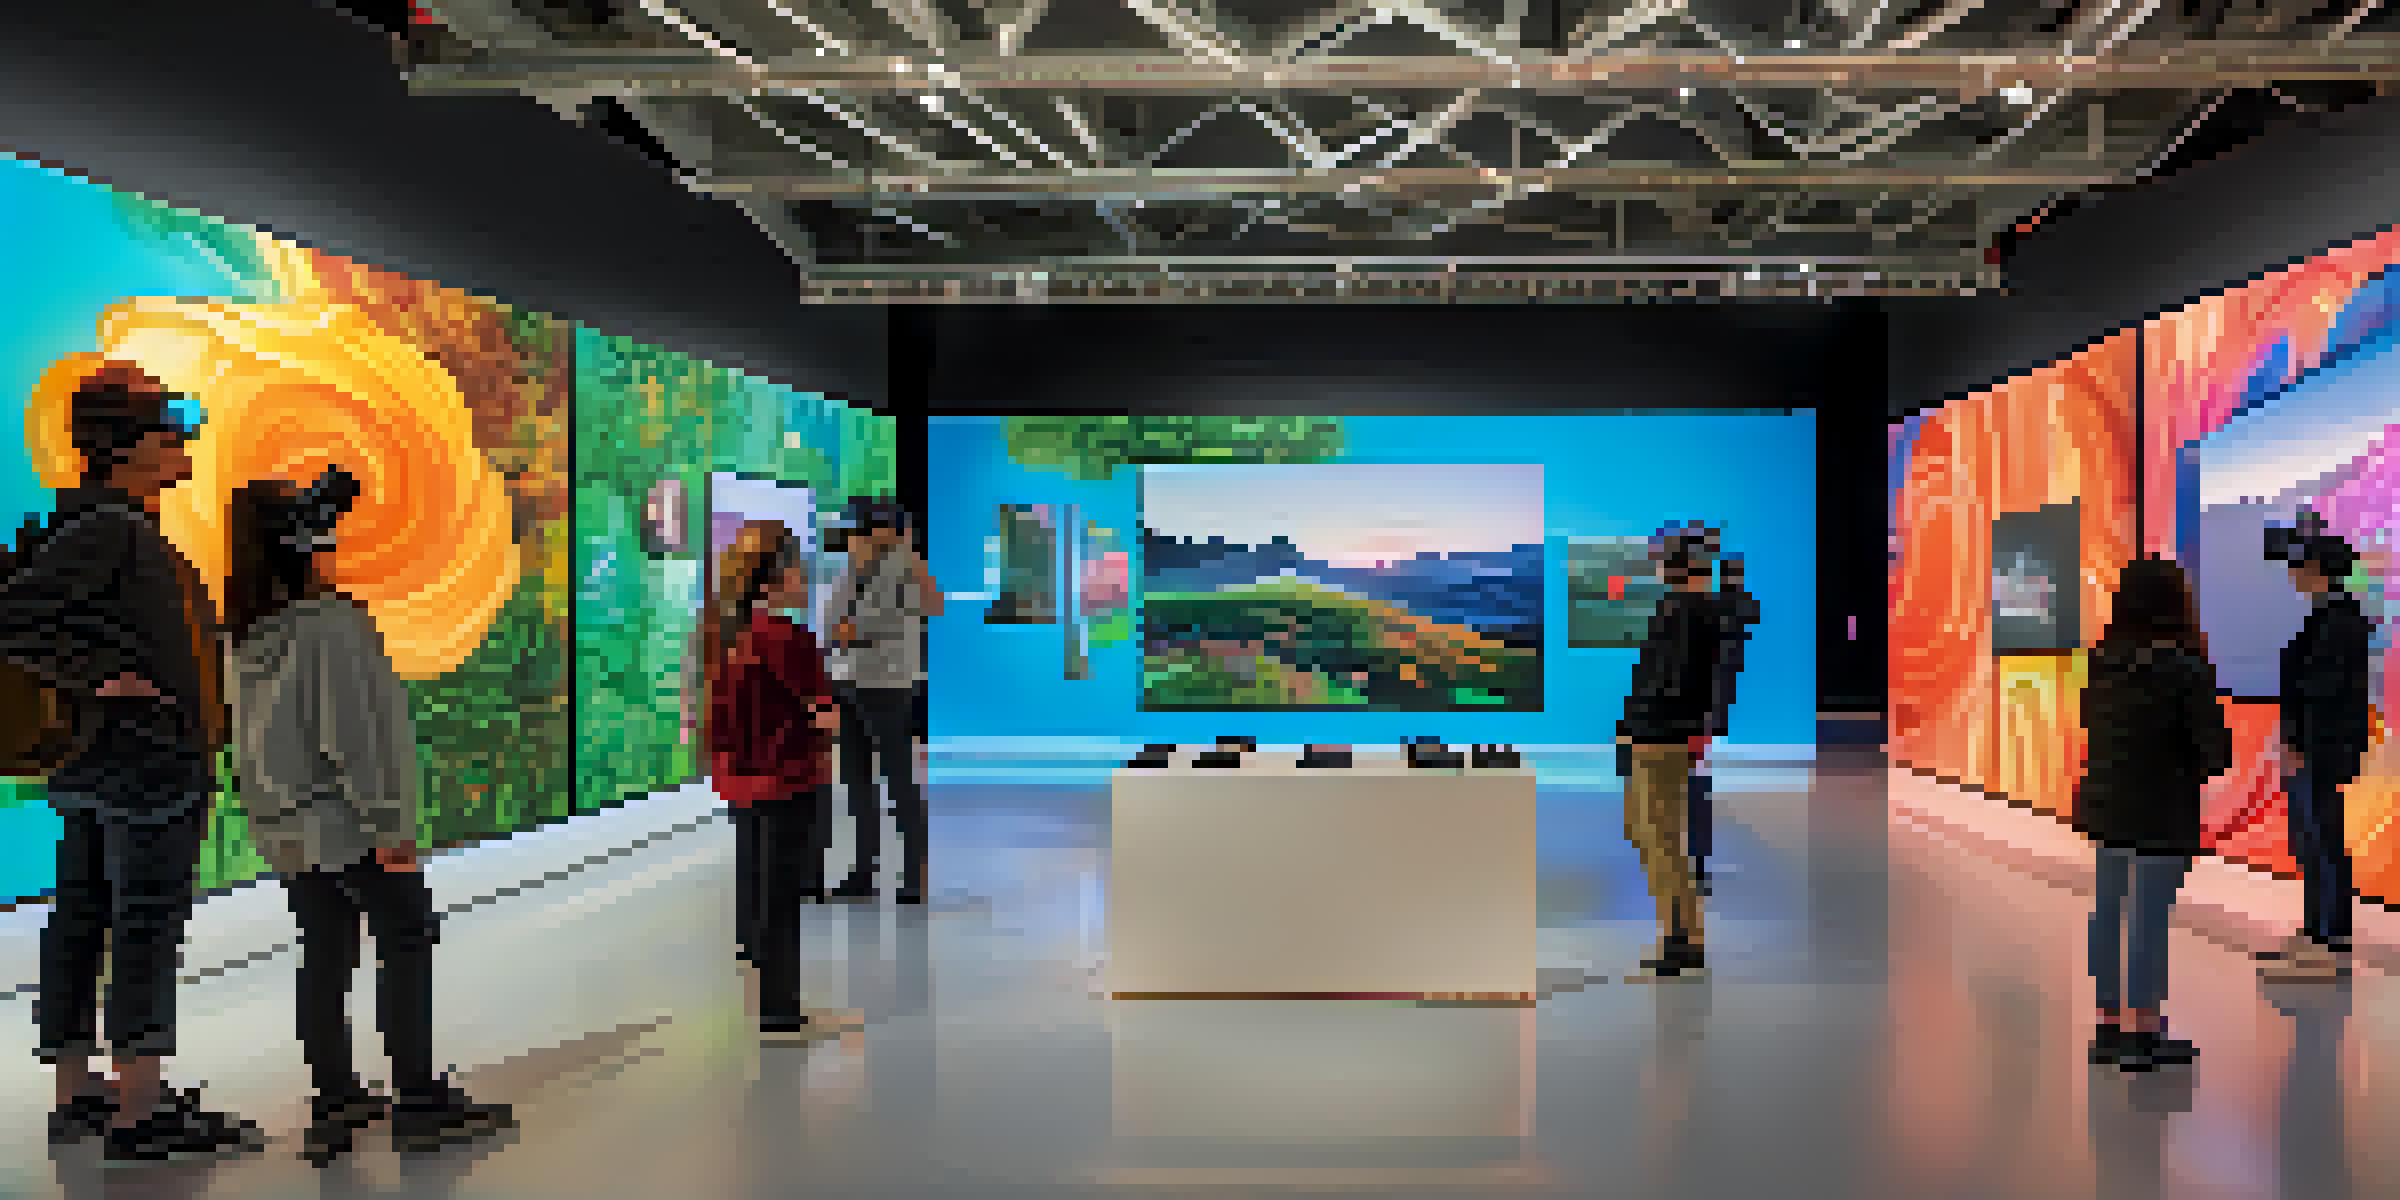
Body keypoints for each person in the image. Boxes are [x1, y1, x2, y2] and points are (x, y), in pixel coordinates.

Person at [0, 364, 263, 1163]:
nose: (182, 433)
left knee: (82, 919)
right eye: (167, 419)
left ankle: (80, 1090)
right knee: (145, 924)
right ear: (128, 444)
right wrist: (100, 679)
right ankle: (141, 1109)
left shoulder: (107, 526)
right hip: (143, 768)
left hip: (103, 767)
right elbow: (13, 620)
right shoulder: (110, 531)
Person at [222, 472, 514, 1161]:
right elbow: (356, 735)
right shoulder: (332, 625)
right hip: (346, 823)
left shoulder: (246, 629)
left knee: (324, 951)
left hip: (285, 825)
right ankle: (418, 1102)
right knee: (406, 940)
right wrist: (391, 826)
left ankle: (336, 1096)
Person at [2076, 555, 2231, 1071]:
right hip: (2162, 806)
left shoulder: (2104, 656)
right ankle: (2143, 1033)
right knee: (2148, 918)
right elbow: (2213, 749)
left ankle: (2107, 1027)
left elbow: (2089, 722)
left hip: (2107, 802)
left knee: (2108, 912)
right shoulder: (2185, 664)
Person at [702, 519, 841, 1038]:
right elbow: (824, 714)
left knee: (758, 884)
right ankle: (780, 1008)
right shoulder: (788, 638)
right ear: (775, 578)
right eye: (798, 571)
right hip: (788, 777)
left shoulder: (722, 633)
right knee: (783, 894)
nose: (805, 580)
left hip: (741, 779)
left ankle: (763, 982)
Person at [2255, 519, 2374, 983]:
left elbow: (2321, 692)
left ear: (2319, 570)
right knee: (2312, 841)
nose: (2292, 574)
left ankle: (2329, 942)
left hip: (2320, 751)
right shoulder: (2328, 617)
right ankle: (2315, 935)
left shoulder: (2338, 622)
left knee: (2322, 842)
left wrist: (2299, 745)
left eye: (2300, 566)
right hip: (2315, 748)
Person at [827, 500, 941, 904]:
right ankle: (863, 871)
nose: (854, 537)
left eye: (863, 529)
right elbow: (831, 623)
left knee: (898, 779)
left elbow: (933, 604)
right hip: (847, 679)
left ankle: (915, 873)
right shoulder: (849, 570)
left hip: (887, 683)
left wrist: (908, 552)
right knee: (856, 781)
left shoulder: (903, 569)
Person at [1618, 525, 1720, 978]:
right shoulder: (1685, 609)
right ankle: (1681, 934)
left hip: (1660, 737)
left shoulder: (1686, 611)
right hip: (1659, 734)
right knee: (1648, 832)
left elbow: (1668, 683)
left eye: (1664, 557)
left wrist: (1638, 729)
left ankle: (1682, 939)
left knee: (1657, 837)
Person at [1691, 548, 1759, 896]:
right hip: (1712, 709)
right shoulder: (1741, 607)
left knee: (1692, 785)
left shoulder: (1712, 608)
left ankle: (1696, 865)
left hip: (1699, 707)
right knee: (1698, 783)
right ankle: (1699, 867)